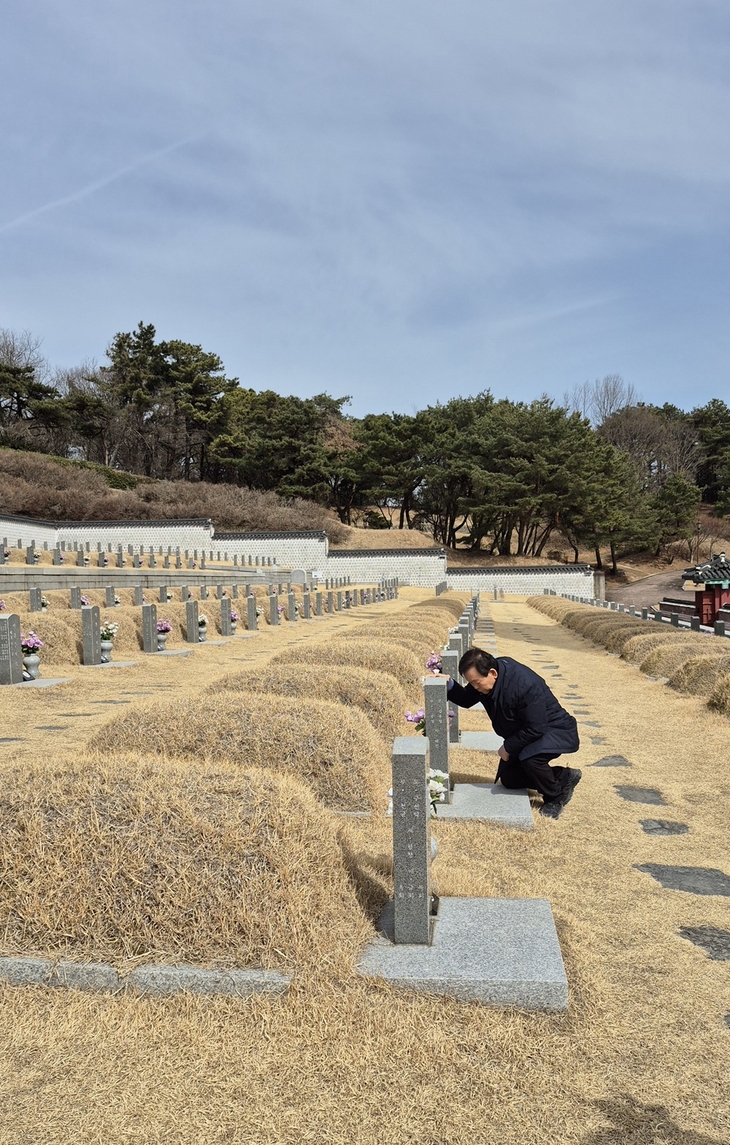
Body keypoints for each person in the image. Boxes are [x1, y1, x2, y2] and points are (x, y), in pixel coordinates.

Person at [445, 646, 582, 819]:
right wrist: (449, 684)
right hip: (529, 730)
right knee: (510, 779)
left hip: (553, 729)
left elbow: (536, 727)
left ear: (492, 673)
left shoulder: (524, 685)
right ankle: (564, 776)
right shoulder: (487, 679)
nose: (474, 687)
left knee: (531, 759)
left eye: (476, 682)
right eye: (471, 682)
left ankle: (555, 797)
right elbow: (466, 698)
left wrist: (508, 747)